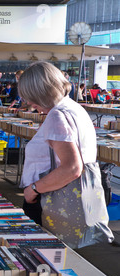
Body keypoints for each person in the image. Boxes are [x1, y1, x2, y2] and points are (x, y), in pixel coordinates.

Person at [18, 61, 113, 239]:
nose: (29, 103)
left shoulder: (57, 115)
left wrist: (33, 189)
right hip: (65, 195)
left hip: (48, 198)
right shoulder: (73, 108)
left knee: (39, 255)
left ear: (42, 91)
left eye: (30, 96)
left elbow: (72, 168)